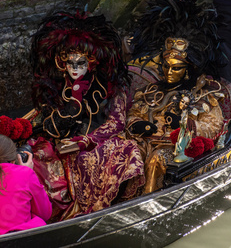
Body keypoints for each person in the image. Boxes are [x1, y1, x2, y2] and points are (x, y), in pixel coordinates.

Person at [28, 11, 145, 220]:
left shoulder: (110, 86)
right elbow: (49, 126)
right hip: (62, 144)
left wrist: (85, 141)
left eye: (80, 63)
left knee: (128, 149)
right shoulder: (55, 86)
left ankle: (106, 208)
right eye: (70, 63)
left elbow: (116, 122)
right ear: (62, 62)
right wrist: (73, 104)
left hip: (96, 142)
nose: (74, 69)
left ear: (91, 62)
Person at [126, 0, 231, 193]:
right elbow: (134, 114)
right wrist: (139, 125)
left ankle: (149, 201)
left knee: (157, 159)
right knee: (126, 152)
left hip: (177, 151)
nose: (168, 72)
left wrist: (182, 125)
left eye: (175, 68)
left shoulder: (203, 95)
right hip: (146, 143)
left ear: (188, 69)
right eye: (166, 67)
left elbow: (212, 126)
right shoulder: (150, 92)